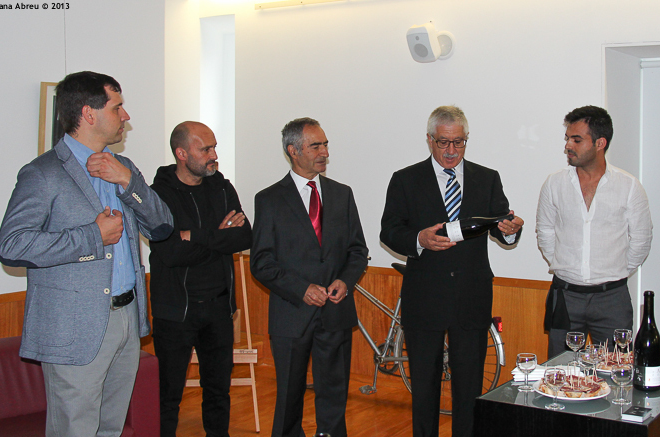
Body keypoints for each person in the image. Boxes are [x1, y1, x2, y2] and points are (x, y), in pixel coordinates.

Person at [0, 71, 173, 436]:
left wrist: (128, 182)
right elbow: (12, 244)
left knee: (111, 428)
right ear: (89, 113)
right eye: (117, 107)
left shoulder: (124, 168)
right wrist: (92, 236)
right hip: (74, 326)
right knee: (74, 430)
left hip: (127, 318)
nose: (126, 116)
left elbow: (162, 226)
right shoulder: (43, 173)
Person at [380, 105, 523, 437]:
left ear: (466, 139)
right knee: (424, 389)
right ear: (430, 140)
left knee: (470, 389)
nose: (451, 150)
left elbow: (501, 226)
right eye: (443, 142)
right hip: (424, 298)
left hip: (471, 297)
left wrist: (510, 229)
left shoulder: (487, 178)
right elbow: (389, 231)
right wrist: (419, 239)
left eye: (458, 142)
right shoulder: (405, 179)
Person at [250, 117, 368, 437]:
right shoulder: (269, 199)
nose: (324, 152)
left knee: (334, 395)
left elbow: (358, 250)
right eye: (316, 146)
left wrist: (346, 281)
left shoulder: (342, 194)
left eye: (325, 144)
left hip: (335, 313)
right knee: (289, 397)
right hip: (292, 314)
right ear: (293, 150)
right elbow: (261, 262)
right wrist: (301, 289)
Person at [149, 121, 252, 437]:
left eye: (214, 147)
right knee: (168, 396)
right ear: (181, 154)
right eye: (205, 149)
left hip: (219, 308)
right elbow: (170, 253)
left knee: (219, 391)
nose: (214, 155)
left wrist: (193, 236)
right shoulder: (159, 195)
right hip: (176, 312)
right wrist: (218, 236)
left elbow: (243, 237)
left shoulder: (222, 188)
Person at [536, 105, 652, 358]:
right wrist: (566, 266)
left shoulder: (629, 186)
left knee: (616, 368)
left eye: (577, 140)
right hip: (565, 295)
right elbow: (545, 231)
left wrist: (614, 271)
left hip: (612, 299)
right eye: (567, 138)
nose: (568, 145)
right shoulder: (555, 183)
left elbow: (641, 240)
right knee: (560, 370)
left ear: (600, 143)